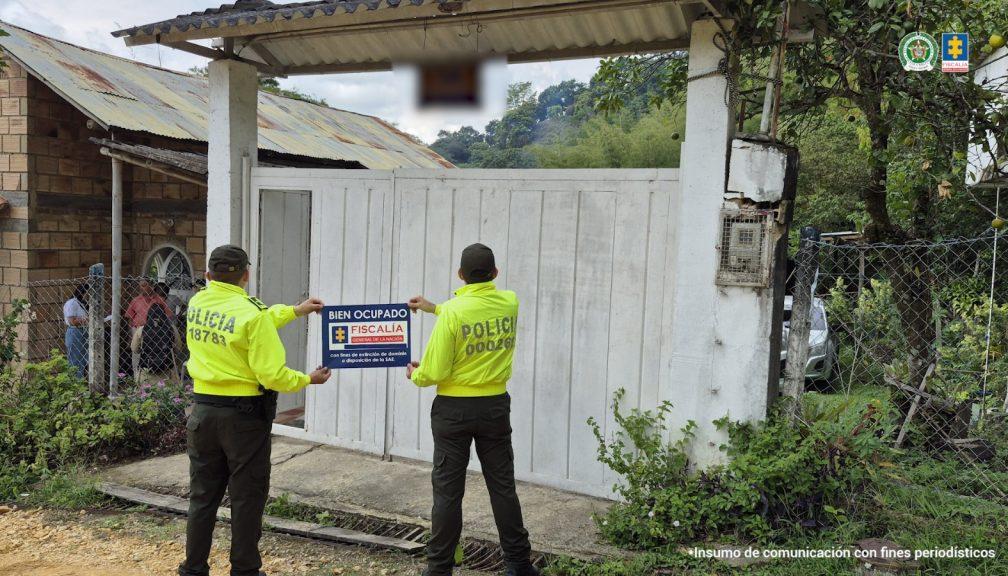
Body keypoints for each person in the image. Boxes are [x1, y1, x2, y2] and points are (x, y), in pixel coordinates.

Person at [179, 245, 333, 576]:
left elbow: (253, 320)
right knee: (246, 498)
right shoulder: (251, 314)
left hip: (203, 412)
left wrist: (295, 310)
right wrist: (308, 379)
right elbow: (272, 374)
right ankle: (245, 570)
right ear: (246, 275)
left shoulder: (198, 303)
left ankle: (192, 569)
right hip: (243, 419)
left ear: (208, 275)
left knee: (202, 497)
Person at [407, 243, 538, 576]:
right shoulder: (510, 303)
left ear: (460, 275)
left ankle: (438, 569)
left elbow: (433, 372)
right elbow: (474, 313)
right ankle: (519, 564)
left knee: (449, 493)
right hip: (495, 407)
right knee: (502, 486)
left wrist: (416, 374)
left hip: (454, 411)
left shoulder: (453, 311)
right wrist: (435, 308)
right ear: (495, 274)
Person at [127, 278, 172, 376]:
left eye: (144, 285)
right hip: (138, 330)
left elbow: (168, 315)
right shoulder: (135, 300)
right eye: (140, 286)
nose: (142, 288)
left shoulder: (158, 300)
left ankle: (156, 376)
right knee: (136, 354)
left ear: (151, 286)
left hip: (155, 330)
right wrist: (131, 335)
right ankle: (137, 377)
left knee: (154, 353)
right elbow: (129, 318)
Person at [63, 284, 89, 378]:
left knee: (83, 359)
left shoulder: (81, 303)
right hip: (75, 332)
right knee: (75, 359)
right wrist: (88, 320)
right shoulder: (72, 303)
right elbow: (72, 321)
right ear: (82, 293)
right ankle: (75, 382)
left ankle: (80, 381)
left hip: (84, 331)